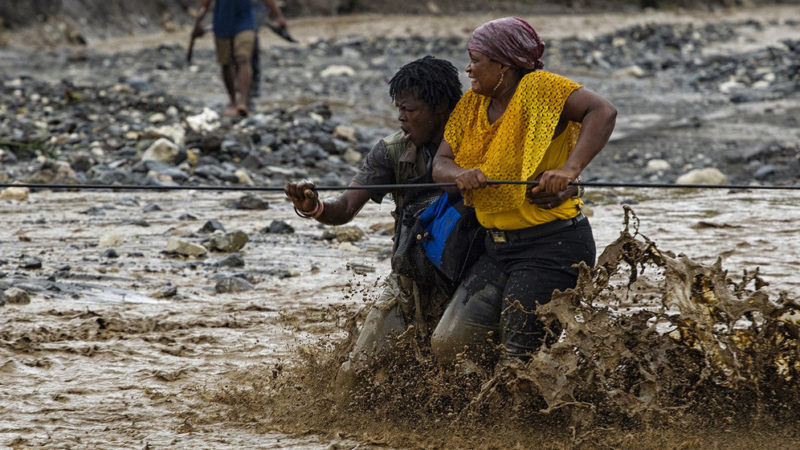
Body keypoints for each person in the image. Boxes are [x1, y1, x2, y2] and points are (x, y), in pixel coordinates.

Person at [284, 56, 580, 392]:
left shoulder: (490, 140)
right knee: (355, 375)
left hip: (476, 277)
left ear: (440, 108)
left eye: (409, 109)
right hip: (413, 281)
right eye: (399, 108)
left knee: (478, 368)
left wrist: (568, 185)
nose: (401, 117)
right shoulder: (392, 152)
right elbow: (345, 208)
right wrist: (314, 206)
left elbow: (548, 172)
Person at [431, 17, 617, 364]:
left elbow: (602, 111)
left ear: (503, 64)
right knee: (449, 344)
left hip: (551, 247)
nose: (468, 68)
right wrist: (460, 174)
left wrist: (569, 170)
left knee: (518, 359)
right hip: (496, 247)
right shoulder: (472, 104)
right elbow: (440, 162)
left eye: (476, 59)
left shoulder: (541, 89)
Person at [193, 0, 287, 117]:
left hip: (245, 22)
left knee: (243, 58)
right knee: (226, 63)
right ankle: (233, 102)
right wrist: (198, 22)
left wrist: (279, 16)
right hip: (222, 23)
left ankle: (242, 102)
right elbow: (205, 3)